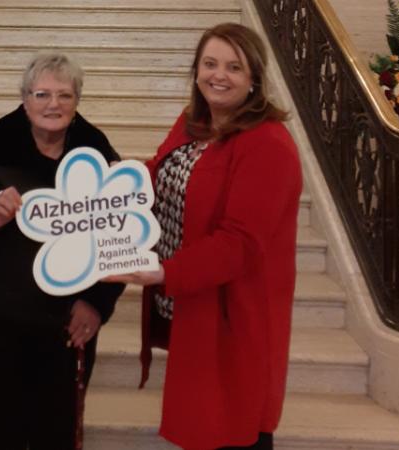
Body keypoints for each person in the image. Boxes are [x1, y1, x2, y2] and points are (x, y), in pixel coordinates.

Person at [106, 23, 303, 450]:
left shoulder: (268, 144)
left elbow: (240, 244)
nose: (220, 75)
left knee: (233, 427)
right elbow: (159, 176)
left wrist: (163, 272)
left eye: (234, 67)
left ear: (254, 79)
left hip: (235, 314)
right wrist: (101, 193)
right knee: (204, 425)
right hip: (195, 304)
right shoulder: (193, 123)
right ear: (195, 71)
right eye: (210, 63)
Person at [0, 53, 125, 450]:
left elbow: (122, 240)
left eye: (64, 95)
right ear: (24, 100)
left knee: (56, 436)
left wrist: (96, 302)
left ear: (77, 102)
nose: (52, 104)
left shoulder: (98, 153)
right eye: (41, 94)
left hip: (66, 327)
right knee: (1, 434)